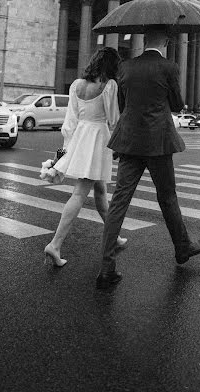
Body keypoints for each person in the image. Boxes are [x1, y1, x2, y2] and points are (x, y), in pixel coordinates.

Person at [96, 27, 200, 289]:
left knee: (119, 203)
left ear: (144, 40)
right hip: (158, 142)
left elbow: (124, 107)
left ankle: (106, 268)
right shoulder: (169, 67)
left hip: (130, 141)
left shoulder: (126, 67)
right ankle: (182, 248)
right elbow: (178, 105)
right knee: (167, 197)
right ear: (166, 41)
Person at [43, 47, 127, 267]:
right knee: (80, 193)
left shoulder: (76, 85)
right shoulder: (109, 85)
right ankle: (55, 244)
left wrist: (60, 155)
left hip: (80, 138)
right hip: (98, 140)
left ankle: (114, 236)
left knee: (100, 191)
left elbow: (69, 125)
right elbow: (113, 120)